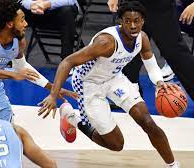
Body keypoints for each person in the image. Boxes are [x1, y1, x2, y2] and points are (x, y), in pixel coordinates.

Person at [38, 1, 180, 167]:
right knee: (116, 144)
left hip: (114, 78)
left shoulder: (142, 38)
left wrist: (159, 82)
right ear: (120, 21)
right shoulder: (106, 42)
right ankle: (71, 116)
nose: (133, 25)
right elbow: (67, 62)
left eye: (137, 21)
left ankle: (172, 165)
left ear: (143, 21)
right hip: (88, 84)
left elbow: (148, 57)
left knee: (147, 122)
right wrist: (53, 95)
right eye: (128, 21)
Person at [0, 0, 77, 124]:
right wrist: (11, 74)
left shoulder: (19, 41)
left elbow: (22, 68)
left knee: (7, 129)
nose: (26, 23)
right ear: (9, 24)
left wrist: (52, 87)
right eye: (22, 20)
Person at [107, 0, 194, 117]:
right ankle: (128, 95)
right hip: (132, 3)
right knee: (129, 48)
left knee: (174, 51)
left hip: (160, 6)